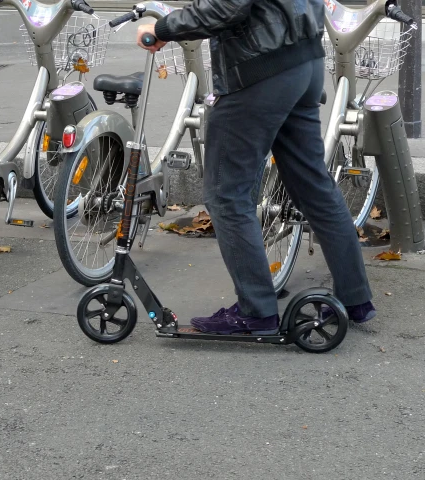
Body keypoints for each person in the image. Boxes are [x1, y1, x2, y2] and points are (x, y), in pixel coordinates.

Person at [137, 0, 375, 334]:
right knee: (313, 186)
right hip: (303, 61)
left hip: (258, 70)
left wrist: (162, 28)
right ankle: (356, 300)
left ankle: (256, 312)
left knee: (225, 193)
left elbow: (226, 7)